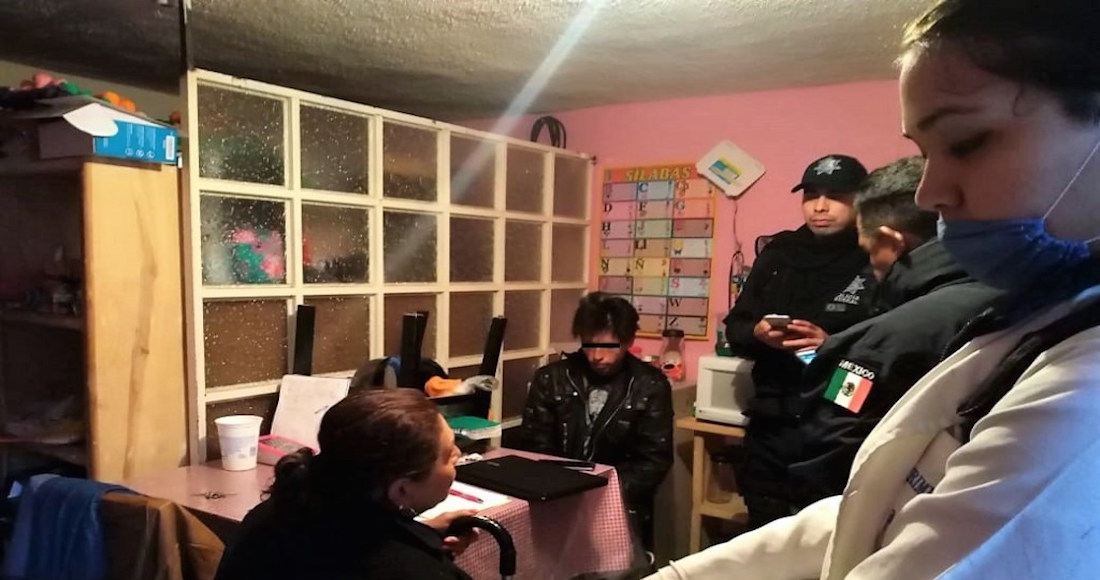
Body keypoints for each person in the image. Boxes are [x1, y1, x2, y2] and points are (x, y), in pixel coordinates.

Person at [648, 0, 1100, 577]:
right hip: (773, 430)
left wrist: (826, 346)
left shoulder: (1079, 383)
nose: (930, 194)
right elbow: (875, 509)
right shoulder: (1037, 316)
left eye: (965, 141)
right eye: (924, 154)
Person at [787, 156, 1001, 504]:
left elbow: (831, 451)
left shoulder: (871, 347)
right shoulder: (1025, 299)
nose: (872, 267)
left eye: (868, 250)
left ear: (889, 242)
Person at [723, 153, 874, 527]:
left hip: (840, 421)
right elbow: (736, 328)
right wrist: (759, 333)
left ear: (861, 200)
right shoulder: (779, 253)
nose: (820, 207)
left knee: (827, 534)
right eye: (811, 195)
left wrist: (830, 345)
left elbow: (892, 349)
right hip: (772, 420)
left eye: (835, 196)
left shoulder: (876, 254)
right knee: (763, 532)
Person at [215, 389, 479, 580]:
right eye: (448, 454)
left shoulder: (272, 515)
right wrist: (417, 548)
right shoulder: (412, 571)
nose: (458, 454)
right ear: (401, 490)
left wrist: (418, 535)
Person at [519, 292, 673, 556]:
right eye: (589, 345)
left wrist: (601, 493)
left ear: (628, 341)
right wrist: (564, 489)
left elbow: (653, 460)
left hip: (620, 507)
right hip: (556, 501)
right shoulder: (551, 379)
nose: (597, 356)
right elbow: (534, 446)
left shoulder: (649, 385)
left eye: (609, 346)